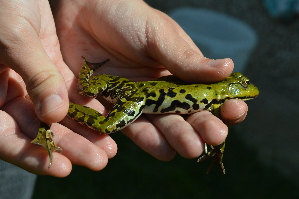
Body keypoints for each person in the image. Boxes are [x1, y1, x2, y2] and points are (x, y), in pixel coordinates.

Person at [0, 0, 249, 198]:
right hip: (137, 97)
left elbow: (220, 136)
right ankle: (62, 110)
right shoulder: (215, 99)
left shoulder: (215, 96)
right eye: (243, 85)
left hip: (135, 87)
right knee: (106, 125)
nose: (248, 89)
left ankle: (61, 105)